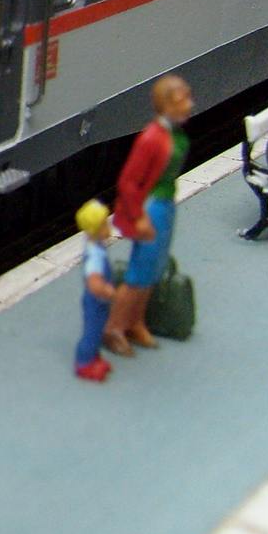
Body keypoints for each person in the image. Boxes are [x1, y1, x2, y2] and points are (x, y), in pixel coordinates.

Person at [106, 73, 193, 355]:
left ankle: (136, 322)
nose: (189, 104)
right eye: (182, 100)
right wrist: (139, 217)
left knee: (154, 270)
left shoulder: (174, 134)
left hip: (165, 205)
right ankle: (114, 328)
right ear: (165, 105)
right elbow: (128, 182)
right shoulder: (151, 138)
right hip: (150, 207)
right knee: (138, 273)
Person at [73, 199, 116, 382]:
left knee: (97, 330)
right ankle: (84, 363)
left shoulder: (96, 246)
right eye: (105, 224)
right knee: (92, 331)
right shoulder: (95, 256)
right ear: (95, 229)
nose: (108, 227)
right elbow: (94, 284)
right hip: (96, 301)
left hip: (100, 301)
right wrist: (108, 291)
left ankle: (93, 357)